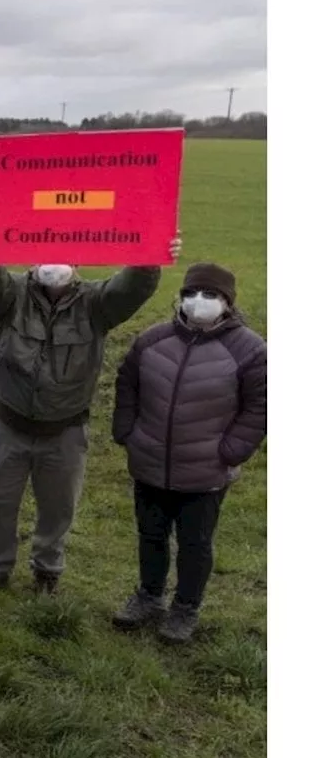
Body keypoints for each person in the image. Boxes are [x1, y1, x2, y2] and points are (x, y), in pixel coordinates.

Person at [0, 215, 182, 593]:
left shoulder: (97, 304)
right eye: (46, 252)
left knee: (58, 507)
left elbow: (133, 288)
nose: (55, 262)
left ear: (79, 261)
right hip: (9, 424)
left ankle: (48, 569)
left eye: (65, 254)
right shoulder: (12, 296)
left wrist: (151, 255)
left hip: (65, 429)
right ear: (31, 257)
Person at [110, 263, 266, 643]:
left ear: (228, 303)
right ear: (179, 298)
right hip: (149, 463)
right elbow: (127, 384)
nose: (199, 302)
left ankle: (185, 607)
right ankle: (149, 595)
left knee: (195, 544)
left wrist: (231, 450)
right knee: (151, 534)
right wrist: (127, 431)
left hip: (205, 472)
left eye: (211, 295)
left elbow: (260, 406)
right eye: (191, 293)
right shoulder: (151, 340)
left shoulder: (250, 350)